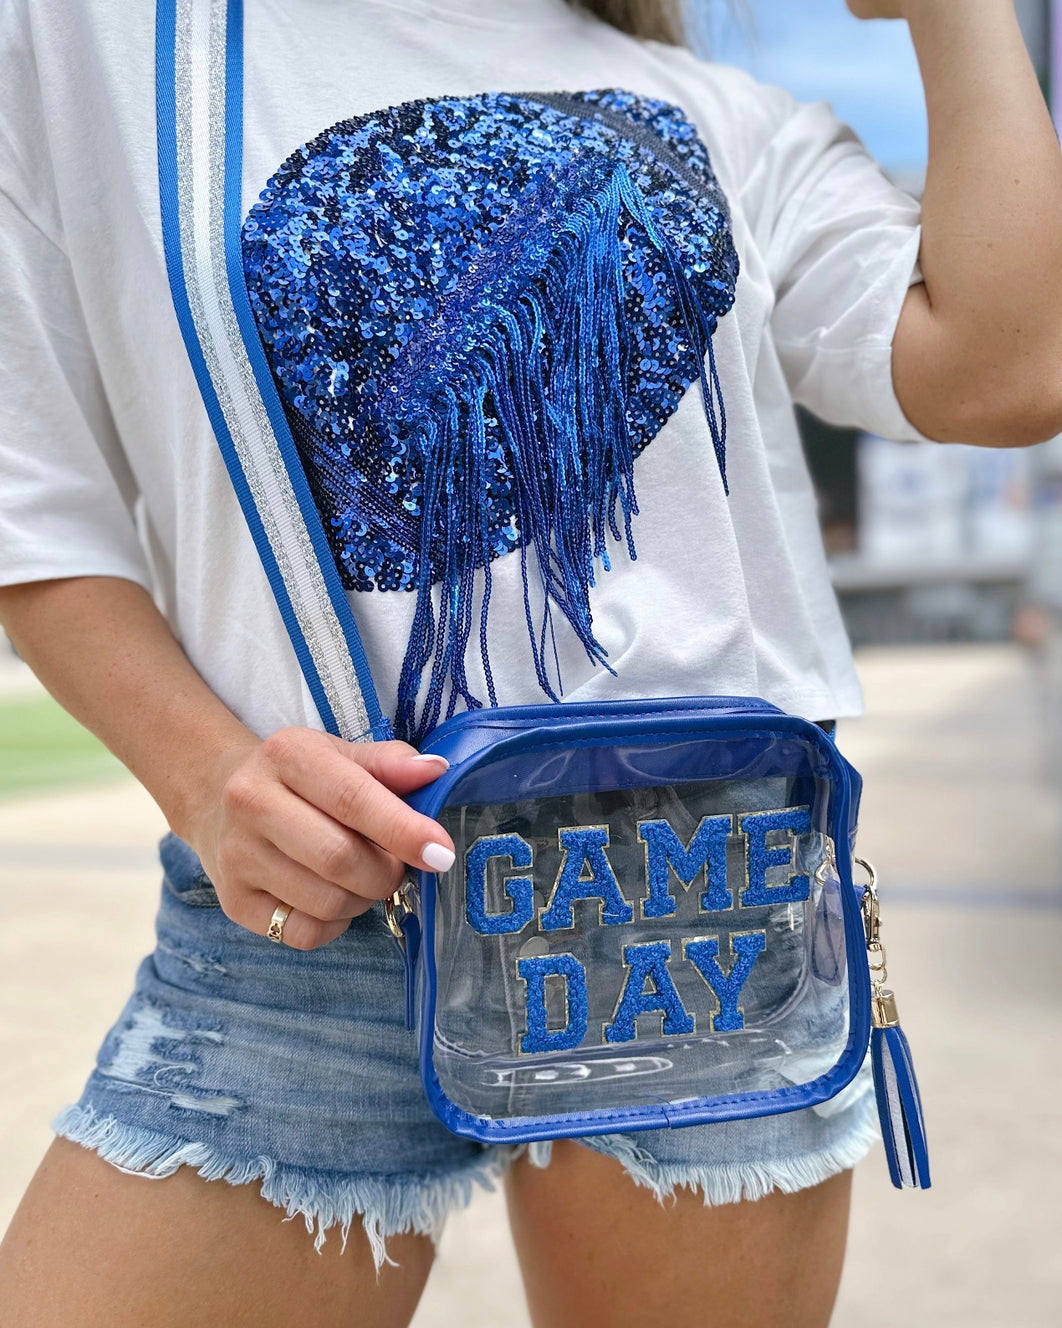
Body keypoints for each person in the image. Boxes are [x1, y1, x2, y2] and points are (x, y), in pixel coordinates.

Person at [0, 1, 1058, 1325]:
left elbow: (1007, 369)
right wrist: (206, 779)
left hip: (699, 896)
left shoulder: (725, 116)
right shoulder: (89, 39)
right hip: (316, 897)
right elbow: (33, 500)